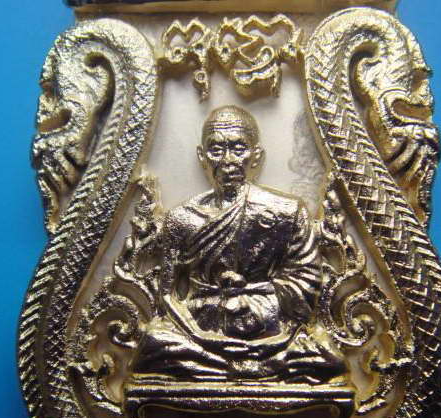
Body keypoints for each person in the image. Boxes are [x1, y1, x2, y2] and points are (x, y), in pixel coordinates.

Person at [129, 105, 347, 384]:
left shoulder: (286, 211)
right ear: (202, 156)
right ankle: (248, 367)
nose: (228, 160)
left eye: (238, 148)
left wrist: (252, 298)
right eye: (216, 149)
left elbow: (307, 282)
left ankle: (235, 364)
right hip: (199, 328)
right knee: (152, 344)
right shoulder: (181, 218)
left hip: (268, 326)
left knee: (325, 357)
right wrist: (200, 336)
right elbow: (167, 296)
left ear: (256, 156)